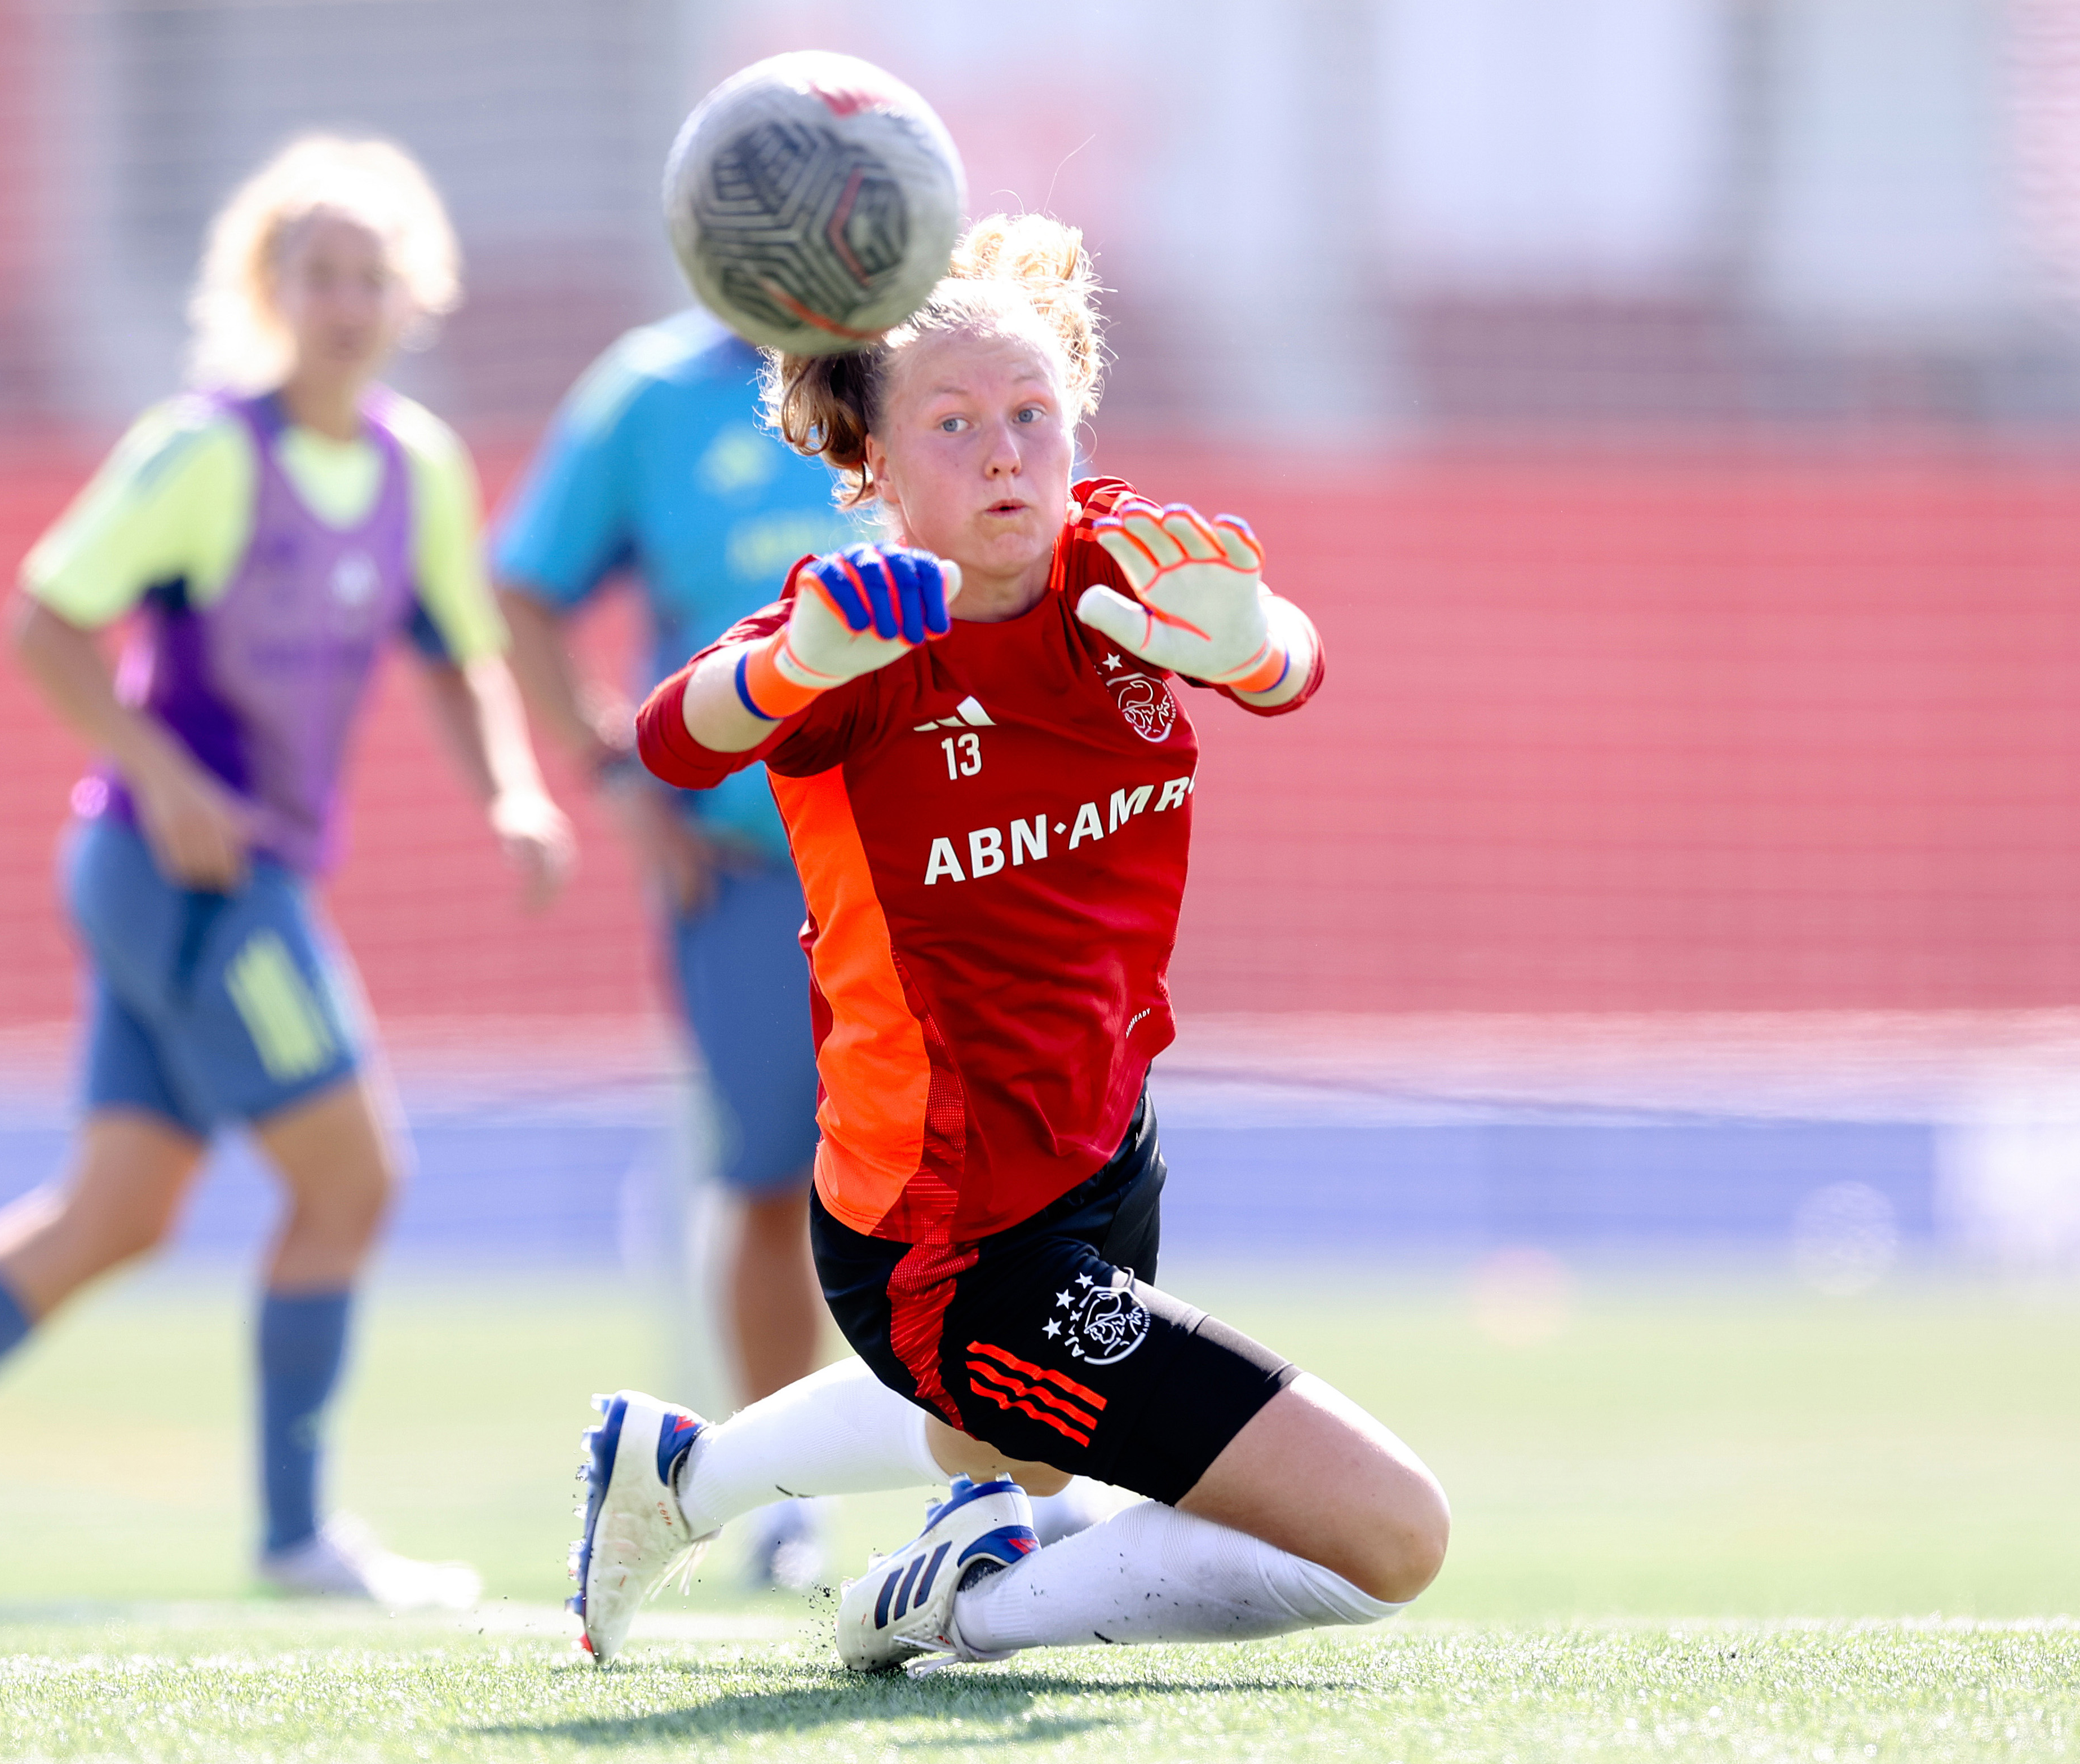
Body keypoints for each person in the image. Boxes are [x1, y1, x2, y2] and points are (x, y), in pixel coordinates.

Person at [568, 214, 1449, 1672]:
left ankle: (681, 1478)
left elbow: (1284, 663)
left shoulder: (1112, 572)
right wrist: (793, 664)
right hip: (939, 1235)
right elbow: (674, 733)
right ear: (873, 466)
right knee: (1389, 1538)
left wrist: (1253, 642)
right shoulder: (862, 620)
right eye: (955, 422)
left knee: (1025, 1465)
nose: (1002, 454)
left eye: (1031, 415)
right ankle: (958, 1607)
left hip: (1104, 1157)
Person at [0, 134, 572, 1616]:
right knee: (356, 1176)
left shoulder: (417, 471)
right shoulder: (203, 454)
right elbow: (42, 624)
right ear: (269, 291)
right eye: (316, 272)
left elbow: (459, 654)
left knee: (114, 1215)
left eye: (369, 274)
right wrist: (171, 776)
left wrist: (511, 789)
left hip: (221, 884)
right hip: (172, 874)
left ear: (409, 298)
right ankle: (295, 1534)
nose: (343, 300)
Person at [489, 307, 857, 1589]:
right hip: (745, 869)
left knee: (990, 1179)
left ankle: (1015, 1476)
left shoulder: (925, 363)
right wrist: (615, 770)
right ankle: (782, 1497)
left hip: (940, 862)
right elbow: (522, 587)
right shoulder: (647, 394)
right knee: (768, 1175)